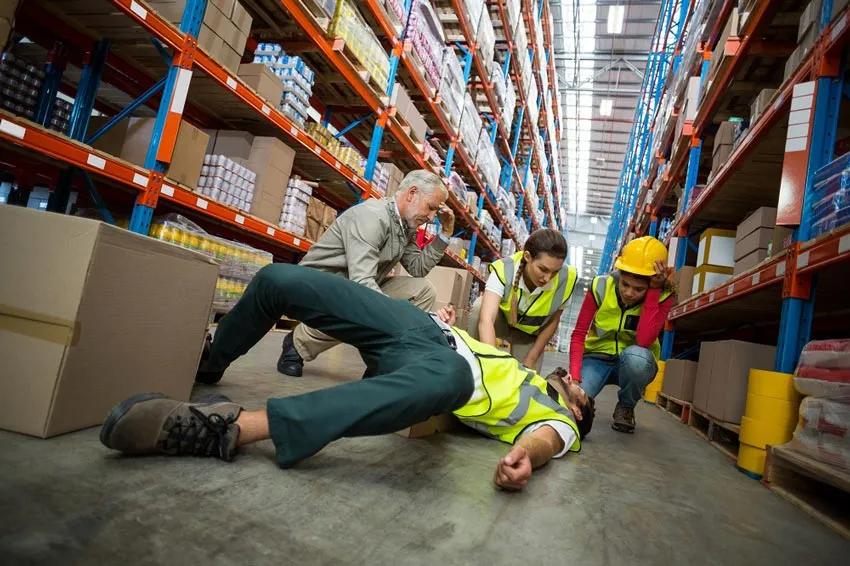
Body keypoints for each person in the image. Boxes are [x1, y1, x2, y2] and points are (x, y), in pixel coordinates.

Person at [100, 263, 595, 490]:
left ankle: (227, 429)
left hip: (441, 371)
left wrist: (523, 459)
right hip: (422, 330)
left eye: (580, 390)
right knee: (280, 280)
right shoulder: (523, 368)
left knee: (449, 380)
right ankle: (208, 365)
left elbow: (546, 441)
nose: (574, 379)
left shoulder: (558, 419)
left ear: (577, 409)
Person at [272, 169, 454, 378]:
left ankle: (385, 360)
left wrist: (445, 234)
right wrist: (398, 316)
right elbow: (362, 283)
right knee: (368, 307)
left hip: (353, 286)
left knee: (423, 291)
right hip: (318, 287)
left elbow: (418, 268)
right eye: (431, 208)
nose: (432, 217)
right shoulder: (372, 216)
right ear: (412, 193)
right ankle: (298, 343)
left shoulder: (405, 226)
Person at [569, 236, 675, 434]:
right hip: (596, 358)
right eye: (624, 284)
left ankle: (626, 406)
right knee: (576, 402)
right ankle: (588, 401)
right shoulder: (600, 286)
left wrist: (652, 293)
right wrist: (575, 378)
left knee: (636, 359)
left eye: (638, 289)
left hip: (636, 361)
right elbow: (578, 334)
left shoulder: (663, 296)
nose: (628, 292)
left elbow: (644, 340)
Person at [468, 229, 577, 373]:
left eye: (555, 272)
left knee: (526, 380)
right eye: (543, 269)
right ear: (527, 257)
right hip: (502, 322)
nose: (547, 278)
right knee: (478, 307)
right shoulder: (505, 269)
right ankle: (473, 364)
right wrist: (491, 363)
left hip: (529, 336)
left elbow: (553, 322)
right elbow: (486, 319)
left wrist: (531, 359)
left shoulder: (566, 279)